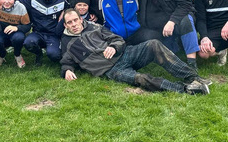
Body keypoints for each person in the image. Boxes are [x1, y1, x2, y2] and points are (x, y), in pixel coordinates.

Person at [60, 9, 209, 95]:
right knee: (142, 79)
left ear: (80, 19)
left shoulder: (95, 27)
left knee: (153, 44)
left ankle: (193, 77)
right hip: (112, 70)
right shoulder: (67, 43)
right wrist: (67, 70)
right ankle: (186, 89)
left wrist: (114, 47)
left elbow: (117, 39)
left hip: (124, 54)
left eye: (75, 20)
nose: (74, 24)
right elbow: (66, 60)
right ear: (65, 25)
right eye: (70, 22)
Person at [130, 0, 202, 73]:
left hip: (174, 20)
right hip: (152, 26)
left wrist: (172, 21)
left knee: (186, 20)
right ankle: (174, 46)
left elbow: (186, 5)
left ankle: (192, 62)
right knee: (145, 40)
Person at [22, 0, 67, 65]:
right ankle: (38, 53)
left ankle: (52, 50)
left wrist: (65, 11)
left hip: (53, 35)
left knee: (54, 56)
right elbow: (16, 2)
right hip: (38, 33)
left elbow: (72, 7)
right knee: (28, 43)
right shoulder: (33, 0)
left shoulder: (61, 1)